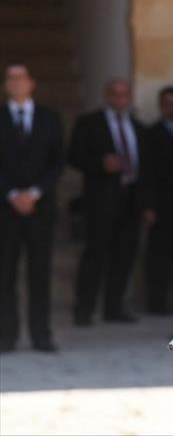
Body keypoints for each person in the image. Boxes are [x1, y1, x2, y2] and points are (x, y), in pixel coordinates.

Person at [68, 78, 148, 326]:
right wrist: (100, 164)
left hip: (131, 201)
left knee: (124, 256)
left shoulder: (138, 127)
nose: (120, 98)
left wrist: (147, 204)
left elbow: (147, 168)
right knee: (95, 255)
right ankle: (84, 309)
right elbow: (74, 156)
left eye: (124, 94)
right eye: (115, 93)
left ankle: (114, 307)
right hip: (101, 201)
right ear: (107, 96)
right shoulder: (89, 123)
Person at [0, 63, 63, 353]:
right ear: (5, 85)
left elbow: (57, 162)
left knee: (40, 273)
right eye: (11, 78)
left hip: (41, 209)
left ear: (31, 83)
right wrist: (12, 194)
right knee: (5, 275)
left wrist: (34, 193)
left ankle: (41, 335)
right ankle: (6, 336)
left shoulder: (50, 118)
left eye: (21, 77)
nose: (16, 82)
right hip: (6, 210)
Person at [144, 86, 173, 314]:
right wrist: (149, 205)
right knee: (159, 255)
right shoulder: (151, 134)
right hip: (161, 202)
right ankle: (157, 303)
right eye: (168, 104)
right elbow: (147, 172)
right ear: (161, 106)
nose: (172, 108)